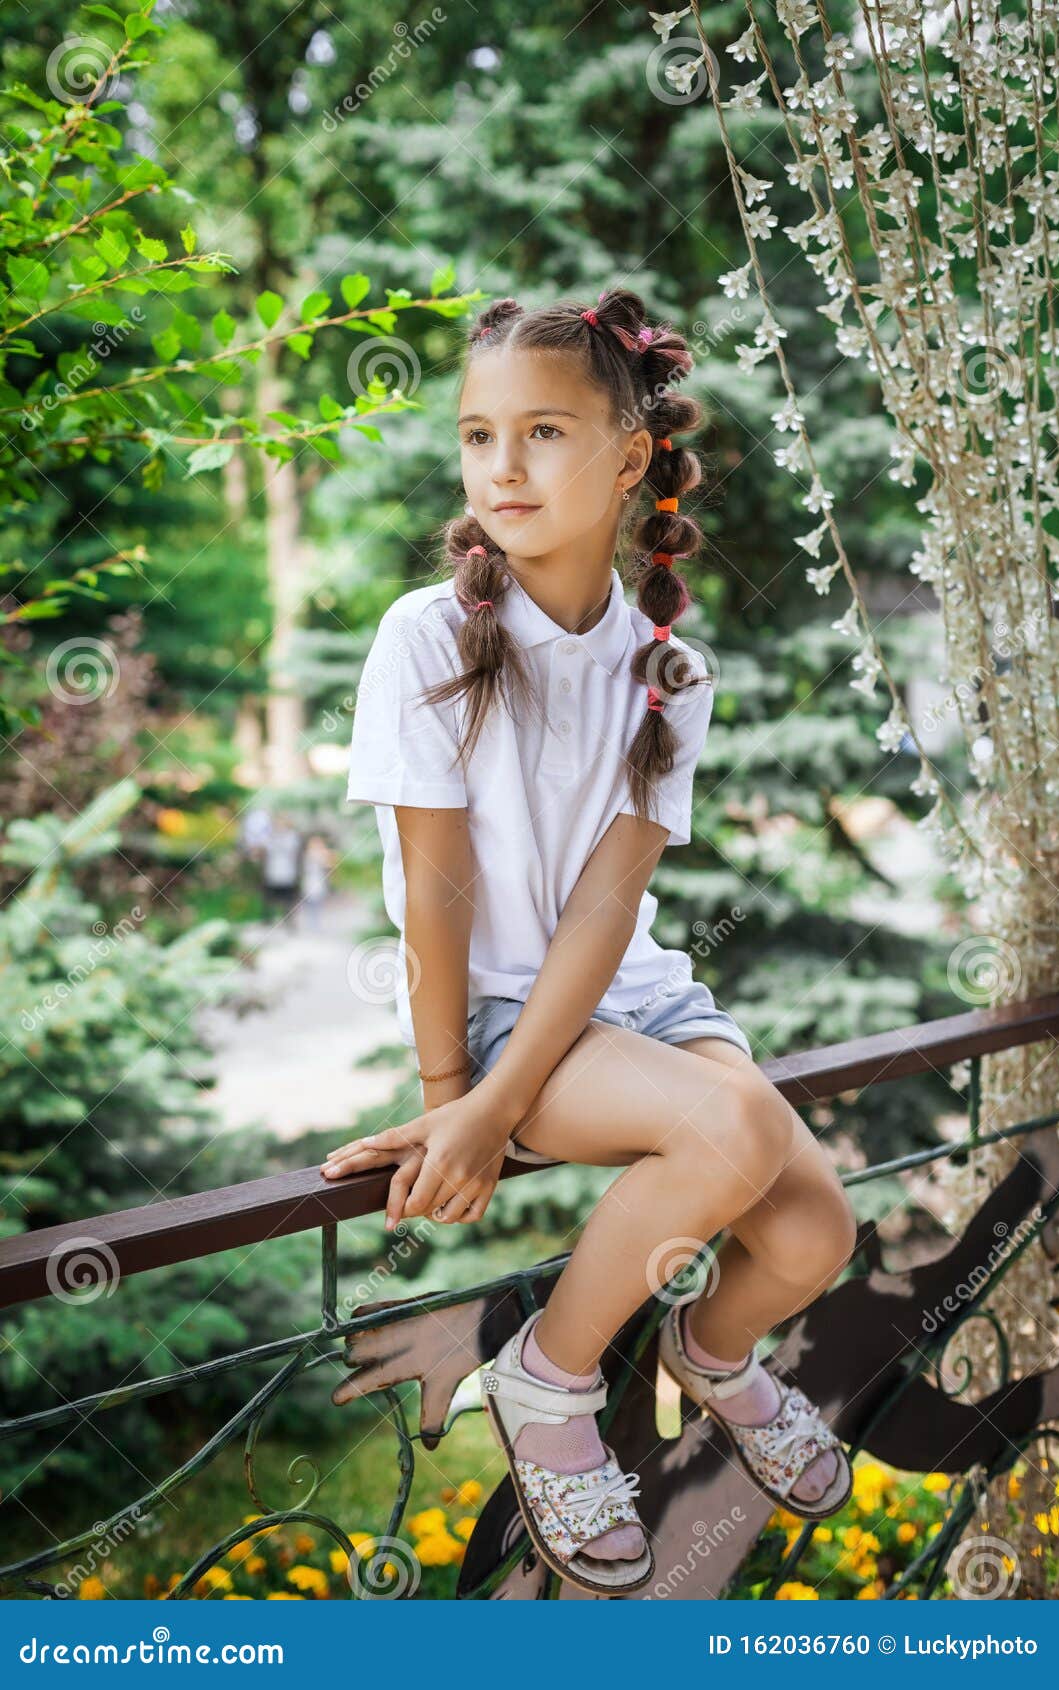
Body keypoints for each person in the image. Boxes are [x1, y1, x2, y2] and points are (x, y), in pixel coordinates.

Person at [320, 288, 856, 1594]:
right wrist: (462, 1098)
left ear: (628, 457)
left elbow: (610, 908)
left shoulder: (668, 670)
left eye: (542, 431)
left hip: (640, 1004)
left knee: (809, 1235)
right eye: (477, 435)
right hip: (510, 1017)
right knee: (727, 1137)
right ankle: (547, 1377)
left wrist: (491, 1107)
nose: (502, 466)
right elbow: (432, 884)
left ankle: (710, 1353)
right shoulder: (429, 635)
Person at [260, 812, 304, 923]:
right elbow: (265, 849)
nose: (280, 825)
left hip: (287, 872)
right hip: (272, 871)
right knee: (269, 897)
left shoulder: (292, 836)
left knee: (287, 898)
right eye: (278, 823)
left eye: (282, 823)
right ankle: (268, 918)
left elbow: (293, 851)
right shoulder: (270, 836)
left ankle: (288, 919)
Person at [300, 833, 334, 931]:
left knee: (318, 903)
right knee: (310, 903)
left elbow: (329, 865)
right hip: (310, 881)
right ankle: (311, 924)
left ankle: (316, 924)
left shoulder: (322, 854)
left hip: (319, 881)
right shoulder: (309, 854)